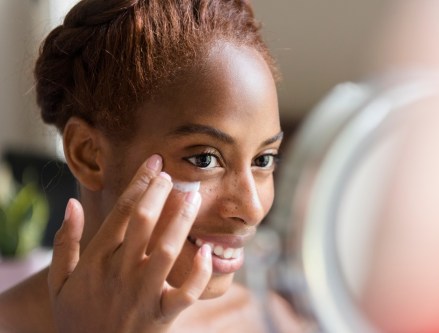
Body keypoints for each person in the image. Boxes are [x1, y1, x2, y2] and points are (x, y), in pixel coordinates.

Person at [0, 0, 303, 332]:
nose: (252, 208)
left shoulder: (267, 320)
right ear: (87, 154)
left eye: (264, 160)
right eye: (204, 159)